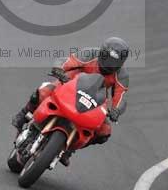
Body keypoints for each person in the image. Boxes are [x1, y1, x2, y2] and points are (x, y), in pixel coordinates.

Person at [12, 37, 130, 166]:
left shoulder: (122, 75)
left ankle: (69, 149)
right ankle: (22, 115)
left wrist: (116, 110)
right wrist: (59, 69)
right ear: (101, 53)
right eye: (106, 58)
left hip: (94, 99)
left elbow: (120, 97)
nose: (108, 65)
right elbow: (68, 61)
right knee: (43, 92)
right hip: (70, 83)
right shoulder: (90, 54)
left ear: (121, 63)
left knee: (104, 131)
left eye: (113, 63)